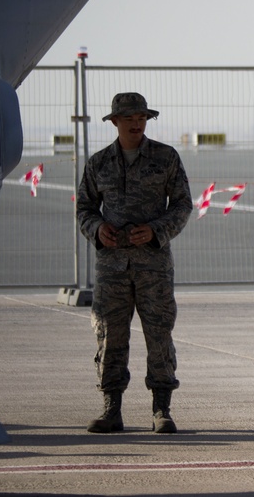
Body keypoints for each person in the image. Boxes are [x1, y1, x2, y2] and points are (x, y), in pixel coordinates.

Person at [77, 92, 193, 434]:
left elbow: (183, 204)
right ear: (115, 122)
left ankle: (162, 410)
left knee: (159, 335)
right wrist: (98, 230)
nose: (136, 123)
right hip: (112, 267)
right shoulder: (99, 163)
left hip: (153, 266)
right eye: (129, 118)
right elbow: (84, 208)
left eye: (141, 117)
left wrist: (156, 230)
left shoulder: (165, 157)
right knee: (110, 336)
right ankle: (111, 409)